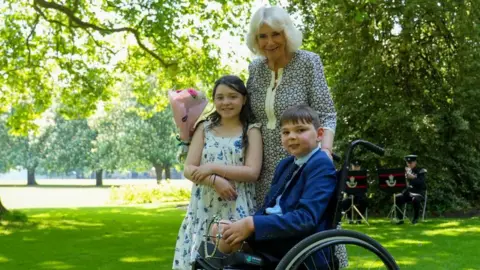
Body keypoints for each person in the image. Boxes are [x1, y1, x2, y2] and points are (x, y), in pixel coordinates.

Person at [211, 105, 337, 269]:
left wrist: (252, 224)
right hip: (273, 235)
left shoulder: (321, 165)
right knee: (219, 229)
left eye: (300, 130)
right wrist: (248, 223)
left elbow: (306, 219)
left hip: (293, 241)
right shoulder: (286, 165)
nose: (292, 136)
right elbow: (269, 206)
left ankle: (249, 262)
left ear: (320, 134)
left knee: (226, 237)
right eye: (286, 132)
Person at [245, 6, 337, 204]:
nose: (269, 42)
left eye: (275, 34)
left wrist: (326, 152)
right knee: (265, 224)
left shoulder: (308, 62)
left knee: (300, 222)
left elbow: (327, 114)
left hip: (301, 161)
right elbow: (247, 116)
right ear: (255, 39)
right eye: (262, 36)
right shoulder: (255, 69)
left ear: (286, 33)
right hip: (261, 165)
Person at [172, 75, 263, 269]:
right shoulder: (205, 128)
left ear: (244, 99)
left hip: (236, 204)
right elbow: (189, 169)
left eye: (232, 96)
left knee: (230, 262)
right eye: (220, 97)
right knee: (199, 261)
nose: (226, 102)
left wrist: (213, 168)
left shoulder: (251, 130)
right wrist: (214, 180)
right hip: (203, 206)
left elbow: (252, 172)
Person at [396, 155, 427, 225]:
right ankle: (400, 219)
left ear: (415, 162)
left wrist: (413, 178)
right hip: (408, 192)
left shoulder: (421, 171)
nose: (409, 164)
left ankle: (415, 218)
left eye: (411, 162)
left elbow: (421, 183)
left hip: (418, 193)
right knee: (397, 198)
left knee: (415, 199)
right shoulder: (405, 171)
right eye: (408, 162)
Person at [341, 160, 368, 224]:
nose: (356, 167)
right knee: (345, 202)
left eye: (357, 166)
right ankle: (350, 218)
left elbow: (366, 187)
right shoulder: (347, 174)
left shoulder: (363, 175)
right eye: (355, 166)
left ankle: (359, 219)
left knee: (364, 201)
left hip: (360, 195)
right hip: (350, 195)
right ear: (352, 166)